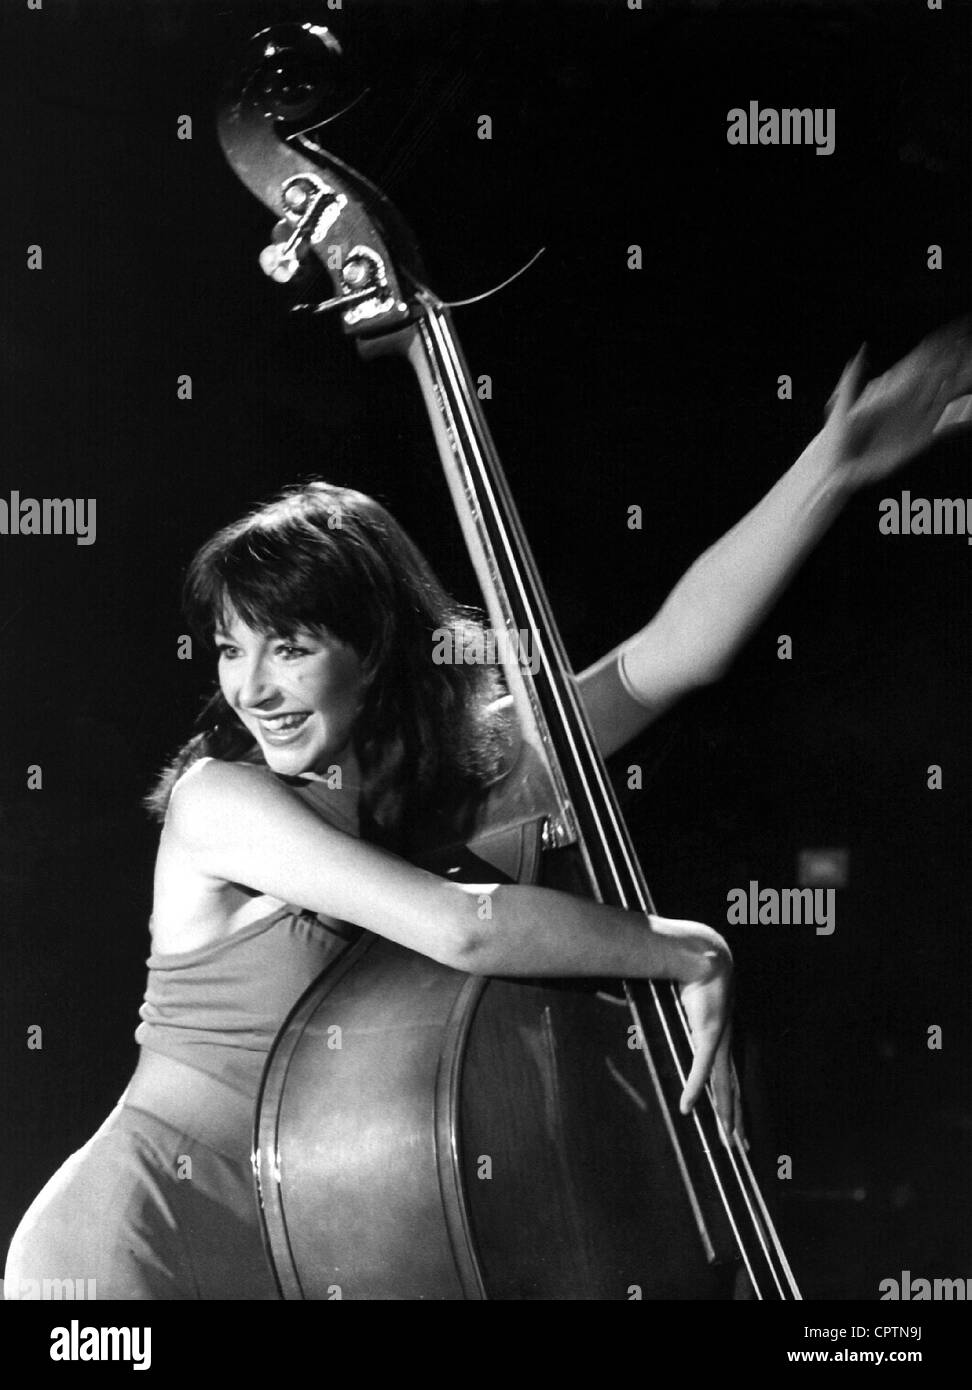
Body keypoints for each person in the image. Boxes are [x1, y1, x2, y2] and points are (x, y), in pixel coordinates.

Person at [4, 322, 971, 1300]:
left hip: (309, 1248)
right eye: (228, 648)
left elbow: (667, 654)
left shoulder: (414, 794)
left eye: (289, 645)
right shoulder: (220, 802)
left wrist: (829, 471)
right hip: (135, 1240)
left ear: (372, 650)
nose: (252, 686)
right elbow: (467, 927)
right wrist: (686, 949)